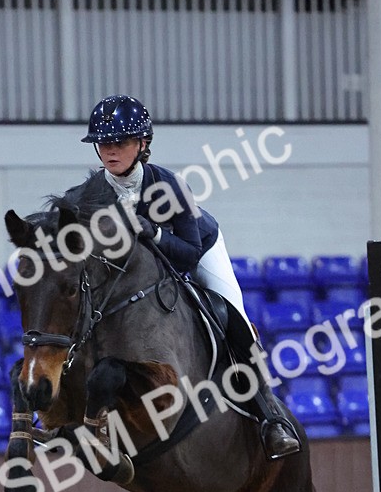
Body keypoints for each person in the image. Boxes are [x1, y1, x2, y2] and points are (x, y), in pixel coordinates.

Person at [79, 94, 301, 460]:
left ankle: (270, 417)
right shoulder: (91, 196)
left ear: (143, 144)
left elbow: (189, 253)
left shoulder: (170, 186)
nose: (109, 151)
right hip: (136, 275)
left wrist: (153, 232)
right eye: (103, 143)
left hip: (197, 248)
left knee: (232, 315)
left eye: (119, 142)